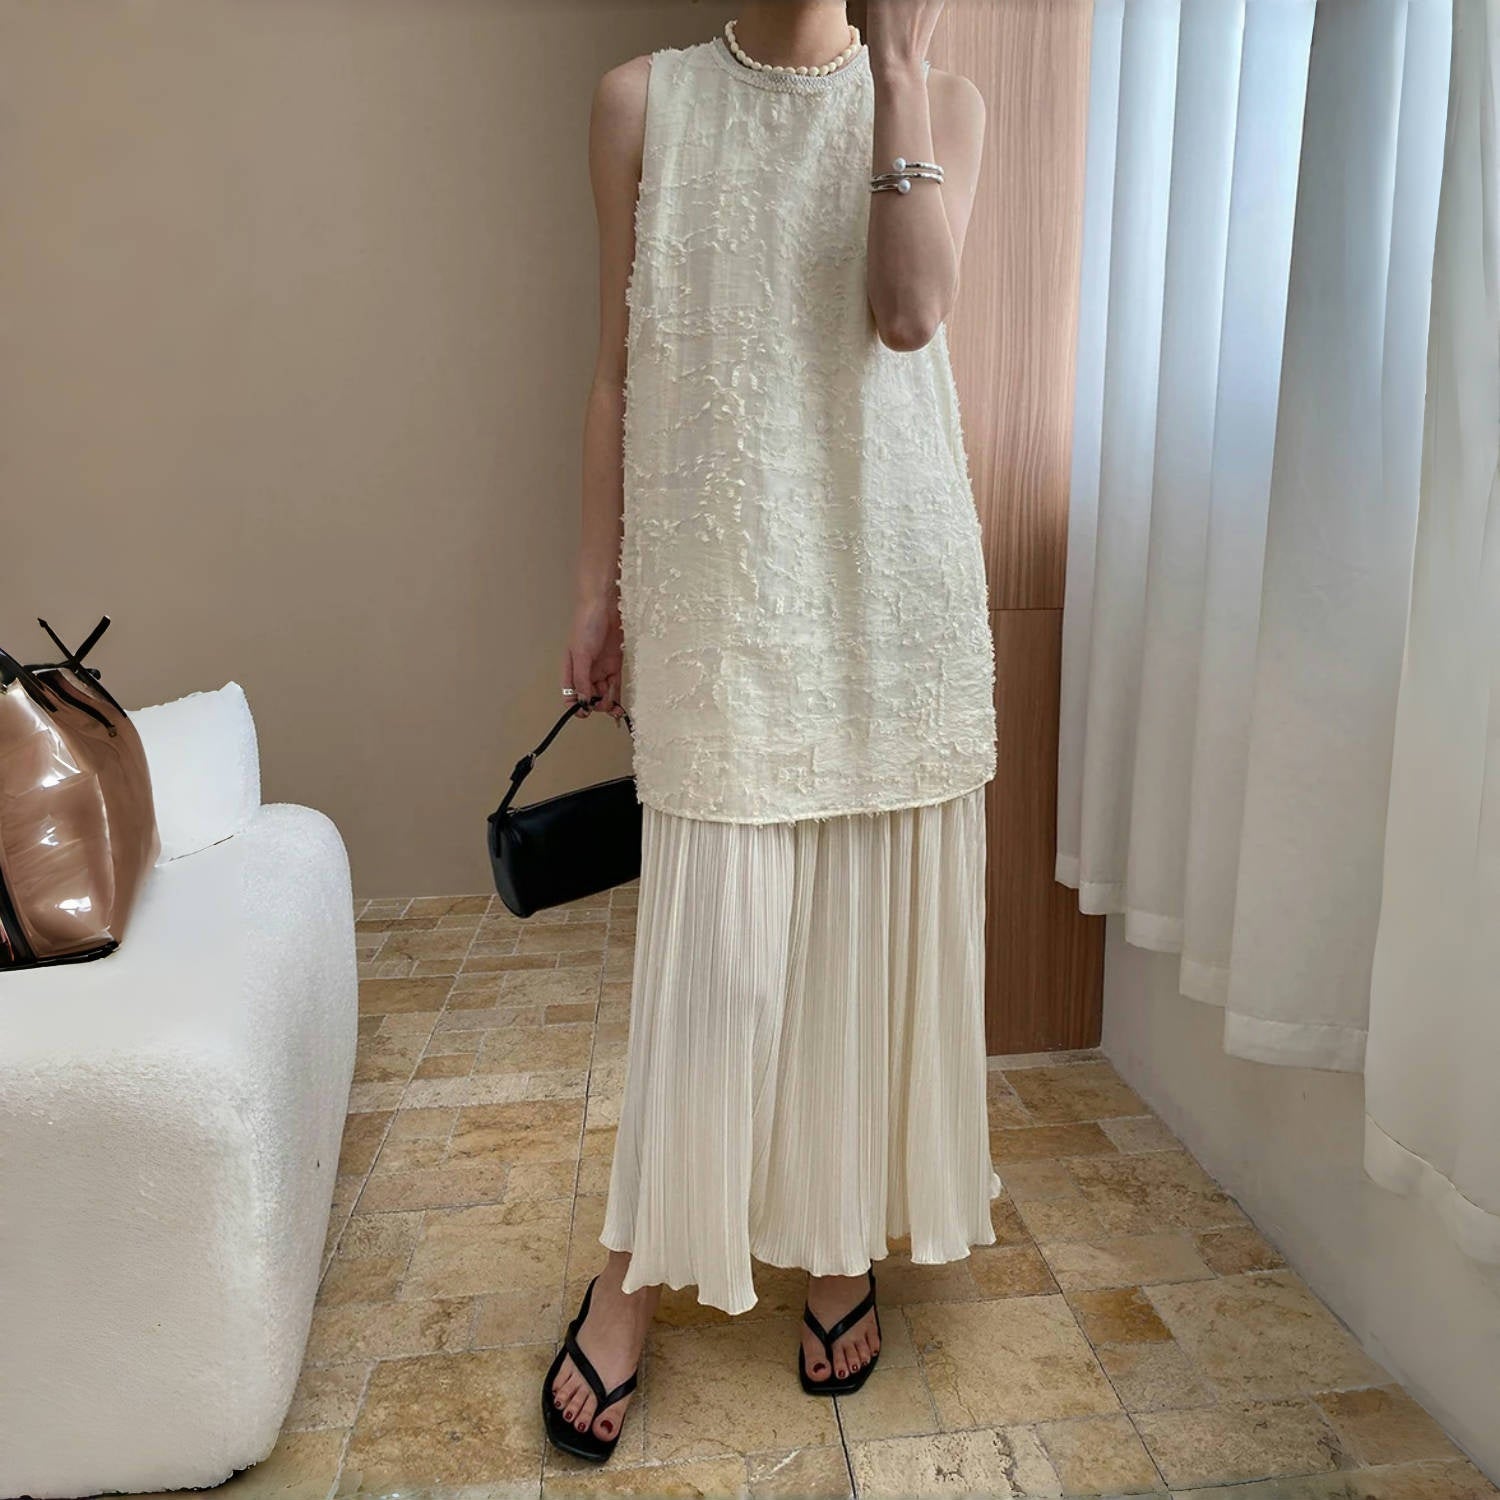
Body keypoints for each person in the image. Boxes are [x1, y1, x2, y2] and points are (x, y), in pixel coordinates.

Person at [544, 0, 998, 1463]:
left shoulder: (941, 102)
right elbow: (616, 364)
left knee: (858, 930)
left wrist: (902, 71)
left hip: (891, 583)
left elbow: (908, 316)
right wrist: (596, 584)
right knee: (722, 962)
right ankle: (631, 1274)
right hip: (723, 587)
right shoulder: (641, 102)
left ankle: (838, 1240)